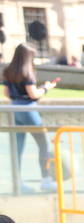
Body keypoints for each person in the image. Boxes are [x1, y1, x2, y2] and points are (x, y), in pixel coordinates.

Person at [1, 43, 57, 193]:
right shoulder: (27, 72)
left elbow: (6, 93)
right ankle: (46, 179)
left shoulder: (9, 71)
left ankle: (17, 181)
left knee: (17, 146)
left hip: (14, 109)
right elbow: (33, 94)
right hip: (28, 109)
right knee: (43, 144)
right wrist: (46, 88)